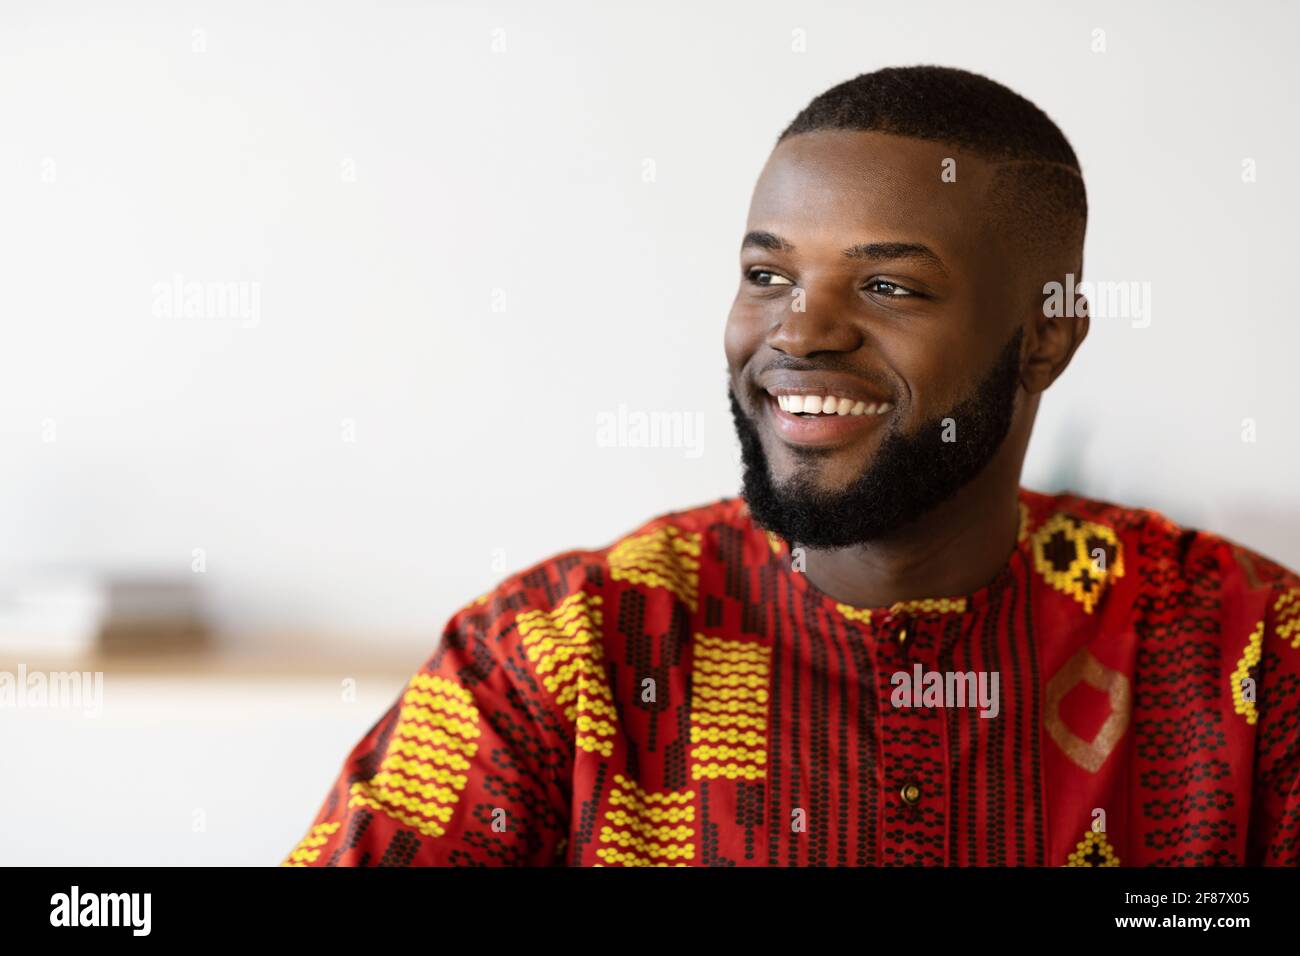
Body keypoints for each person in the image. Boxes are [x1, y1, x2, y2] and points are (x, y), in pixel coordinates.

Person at [283, 65, 1299, 867]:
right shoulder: (563, 654)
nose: (799, 330)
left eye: (890, 285)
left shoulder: (1249, 650)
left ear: (1043, 338)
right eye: (767, 274)